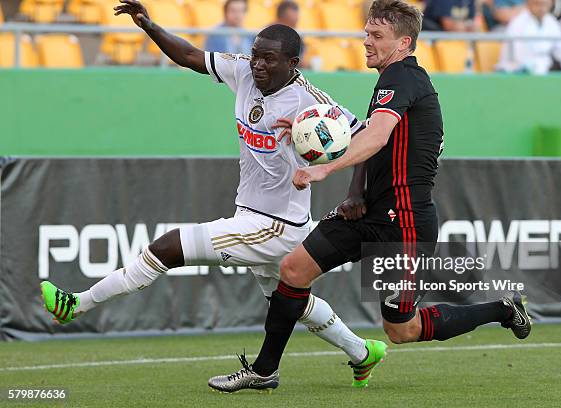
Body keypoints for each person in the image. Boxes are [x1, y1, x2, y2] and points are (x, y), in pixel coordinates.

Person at [40, 0, 384, 390]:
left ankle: (77, 304)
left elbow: (366, 142)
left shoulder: (313, 101)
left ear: (293, 63)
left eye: (269, 60)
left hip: (275, 225)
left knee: (167, 247)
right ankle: (361, 352)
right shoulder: (243, 72)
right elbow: (189, 55)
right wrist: (148, 26)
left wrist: (356, 194)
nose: (258, 65)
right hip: (256, 216)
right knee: (292, 302)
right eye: (256, 56)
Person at [210, 0, 532, 393]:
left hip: (405, 222)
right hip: (369, 214)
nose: (366, 41)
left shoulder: (403, 77)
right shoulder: (390, 80)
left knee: (402, 329)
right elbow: (374, 141)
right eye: (366, 33)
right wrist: (350, 187)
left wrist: (322, 168)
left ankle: (501, 309)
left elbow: (376, 135)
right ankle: (264, 371)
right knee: (293, 270)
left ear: (404, 43)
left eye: (377, 36)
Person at [497, 0, 561, 74]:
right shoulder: (518, 23)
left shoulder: (551, 22)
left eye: (545, 4)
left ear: (551, 4)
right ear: (529, 3)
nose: (541, 8)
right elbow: (518, 59)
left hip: (542, 73)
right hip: (517, 74)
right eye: (537, 3)